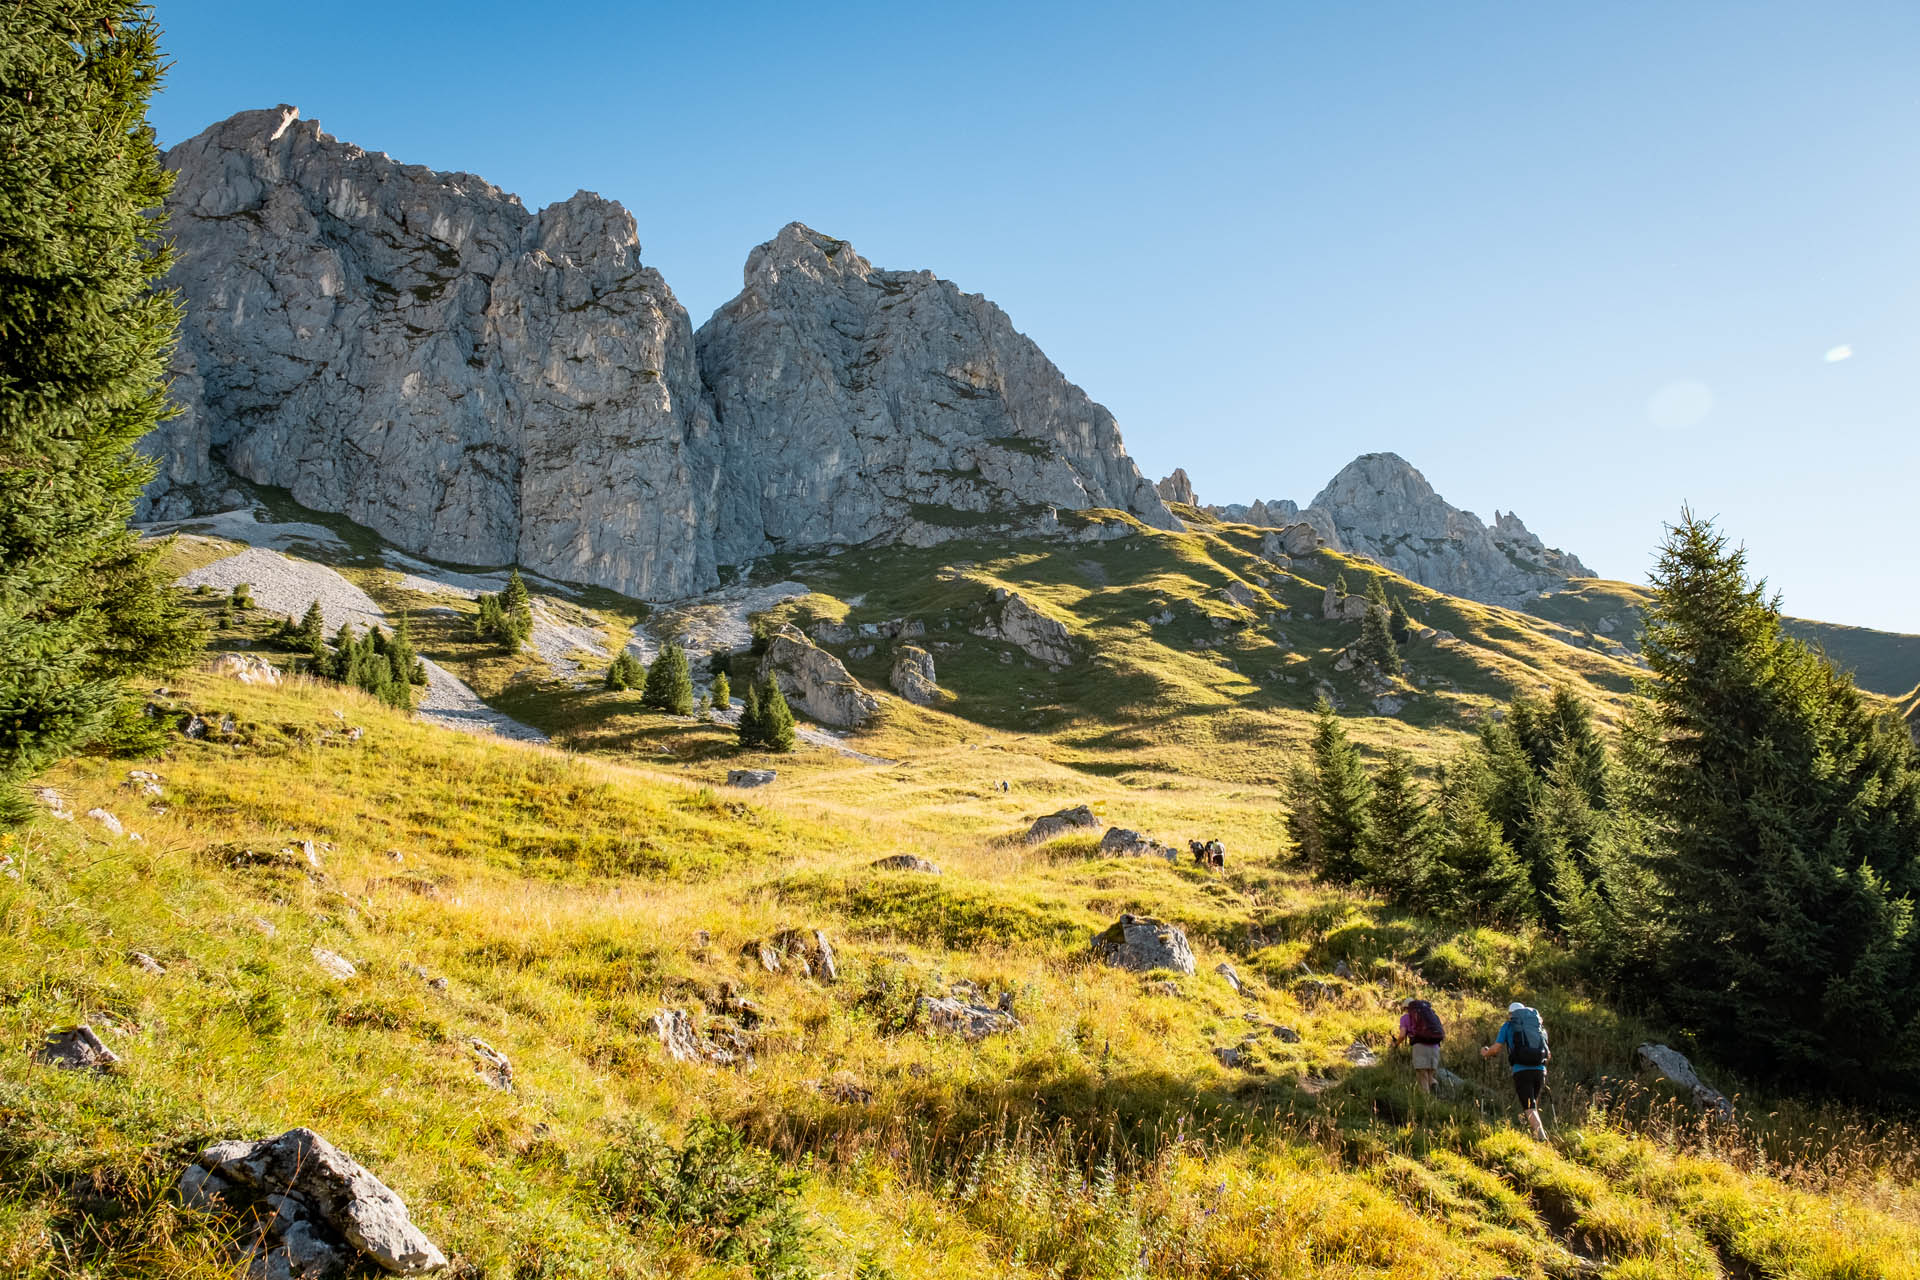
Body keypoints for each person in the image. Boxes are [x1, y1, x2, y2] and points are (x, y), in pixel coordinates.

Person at [1481, 1001, 1550, 1139]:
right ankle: (1536, 1135)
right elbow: (1548, 1054)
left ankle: (1542, 1137)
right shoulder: (1539, 1027)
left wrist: (1485, 1053)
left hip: (1521, 1070)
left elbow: (1496, 1048)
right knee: (1533, 1103)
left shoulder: (1509, 1026)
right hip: (1540, 1070)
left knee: (1529, 1106)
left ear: (1511, 1014)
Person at [1391, 997, 1445, 1094]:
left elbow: (1402, 1035)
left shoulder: (1405, 1018)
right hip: (1435, 1047)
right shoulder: (1431, 1014)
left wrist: (1395, 1044)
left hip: (1420, 1047)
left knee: (1422, 1076)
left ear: (1407, 1008)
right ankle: (1437, 1092)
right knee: (1430, 1076)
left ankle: (1426, 1104)